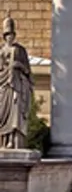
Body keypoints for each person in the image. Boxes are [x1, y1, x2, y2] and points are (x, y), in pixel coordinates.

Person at [0, 14, 33, 150]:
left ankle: (14, 141)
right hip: (4, 86)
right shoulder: (1, 51)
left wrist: (18, 65)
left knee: (16, 114)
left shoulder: (20, 50)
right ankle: (4, 141)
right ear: (4, 36)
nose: (10, 37)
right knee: (3, 115)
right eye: (7, 34)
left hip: (17, 86)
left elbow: (27, 70)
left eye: (12, 34)